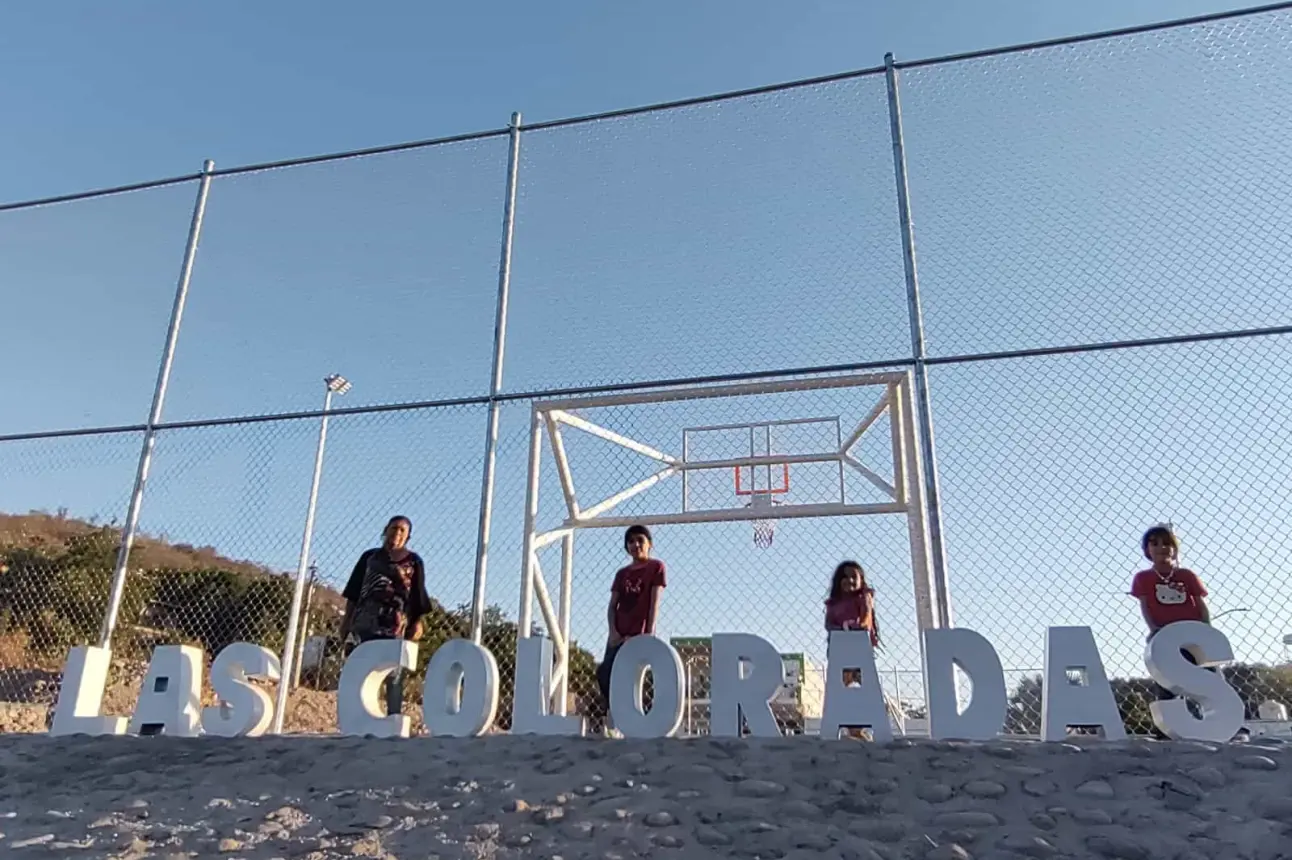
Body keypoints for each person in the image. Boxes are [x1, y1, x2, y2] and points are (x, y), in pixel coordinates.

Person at [339, 515, 433, 715]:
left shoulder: (414, 562)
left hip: (395, 626)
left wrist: (417, 622)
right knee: (360, 672)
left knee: (394, 675)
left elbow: (417, 595)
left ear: (408, 537)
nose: (396, 534)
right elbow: (354, 591)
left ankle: (394, 717)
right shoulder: (369, 558)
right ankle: (356, 717)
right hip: (365, 622)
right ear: (386, 529)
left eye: (402, 531)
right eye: (394, 528)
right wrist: (346, 621)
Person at [1129, 524, 1212, 726]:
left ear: (1175, 548)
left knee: (1205, 674)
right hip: (1165, 634)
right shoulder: (1143, 578)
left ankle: (1214, 718)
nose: (1162, 548)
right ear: (1147, 550)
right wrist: (1153, 629)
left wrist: (1206, 628)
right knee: (1166, 677)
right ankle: (1169, 724)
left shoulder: (1187, 576)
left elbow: (1200, 604)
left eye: (1167, 543)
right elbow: (1145, 606)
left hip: (1191, 633)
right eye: (1155, 543)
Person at [591, 524, 666, 736]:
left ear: (649, 544)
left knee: (637, 678)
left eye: (640, 540)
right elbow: (612, 606)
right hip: (618, 635)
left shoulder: (656, 567)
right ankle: (614, 718)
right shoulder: (622, 574)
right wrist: (613, 632)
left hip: (639, 634)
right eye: (631, 541)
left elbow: (654, 603)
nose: (635, 545)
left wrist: (648, 632)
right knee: (606, 674)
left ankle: (643, 720)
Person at [824, 560, 883, 738]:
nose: (849, 581)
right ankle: (852, 729)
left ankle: (871, 725)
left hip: (859, 649)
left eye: (853, 577)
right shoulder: (833, 603)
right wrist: (838, 630)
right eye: (844, 577)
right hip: (840, 650)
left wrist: (856, 627)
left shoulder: (864, 596)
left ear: (861, 580)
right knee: (842, 688)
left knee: (866, 688)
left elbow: (865, 619)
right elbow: (829, 624)